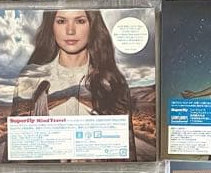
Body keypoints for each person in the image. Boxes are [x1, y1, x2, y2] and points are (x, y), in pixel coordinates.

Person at [8, 10, 141, 159]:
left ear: (92, 25)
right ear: (51, 26)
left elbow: (127, 159)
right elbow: (15, 154)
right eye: (61, 21)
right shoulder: (30, 78)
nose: (70, 31)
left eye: (80, 21)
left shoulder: (112, 82)